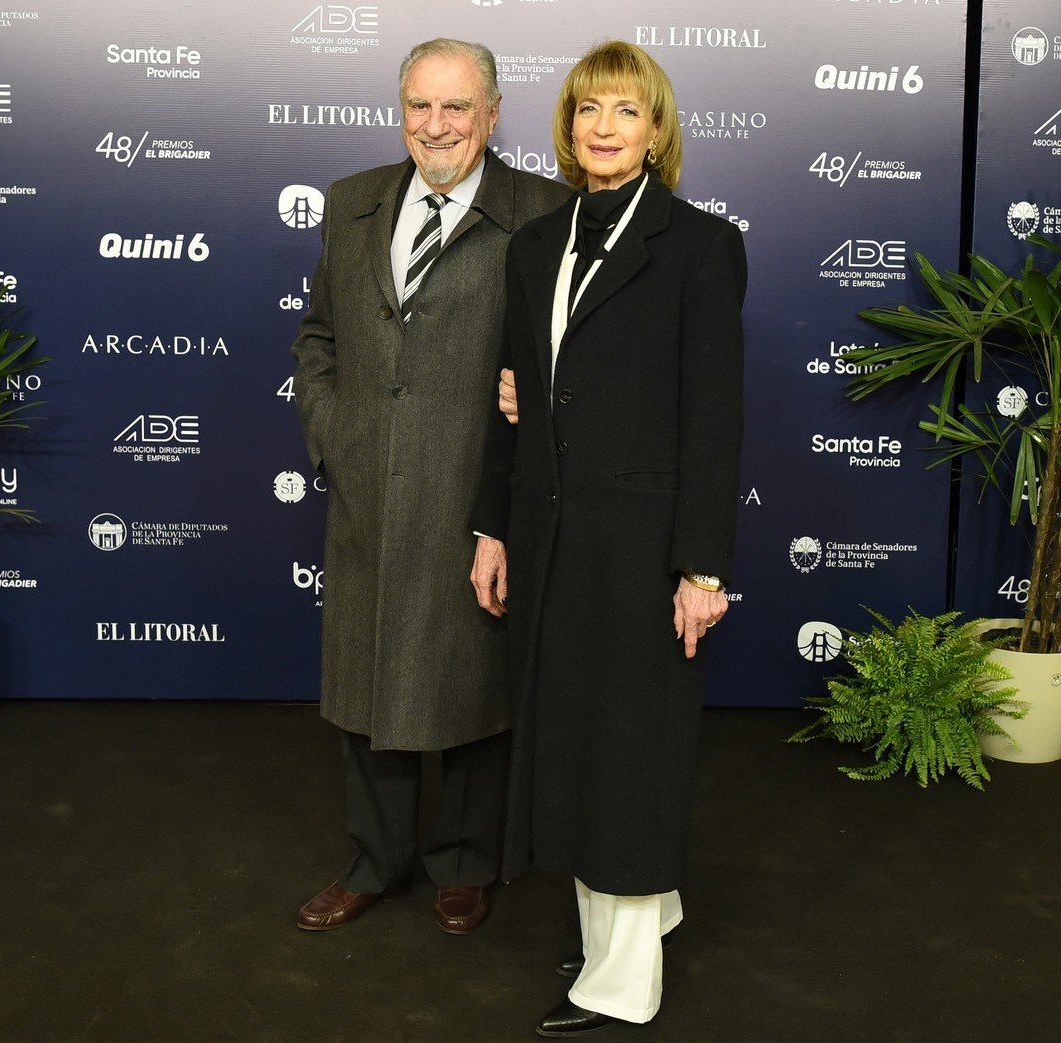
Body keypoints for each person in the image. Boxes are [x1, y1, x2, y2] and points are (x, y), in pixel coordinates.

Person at [469, 40, 746, 1036]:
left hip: (640, 548)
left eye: (625, 111)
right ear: (566, 124)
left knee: (629, 754)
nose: (602, 126)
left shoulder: (700, 247)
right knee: (579, 744)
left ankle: (619, 982)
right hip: (548, 541)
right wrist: (491, 528)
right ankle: (626, 923)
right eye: (588, 108)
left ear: (657, 129)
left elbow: (712, 418)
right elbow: (516, 404)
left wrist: (701, 566)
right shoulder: (536, 244)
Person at [290, 38, 571, 936]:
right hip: (370, 489)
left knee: (475, 685)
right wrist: (334, 431)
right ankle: (375, 862)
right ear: (400, 109)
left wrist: (547, 395)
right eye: (420, 105)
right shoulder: (350, 203)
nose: (436, 125)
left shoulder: (543, 211)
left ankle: (464, 864)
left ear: (492, 114)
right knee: (368, 683)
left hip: (477, 491)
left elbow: (580, 349)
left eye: (456, 107)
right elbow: (318, 337)